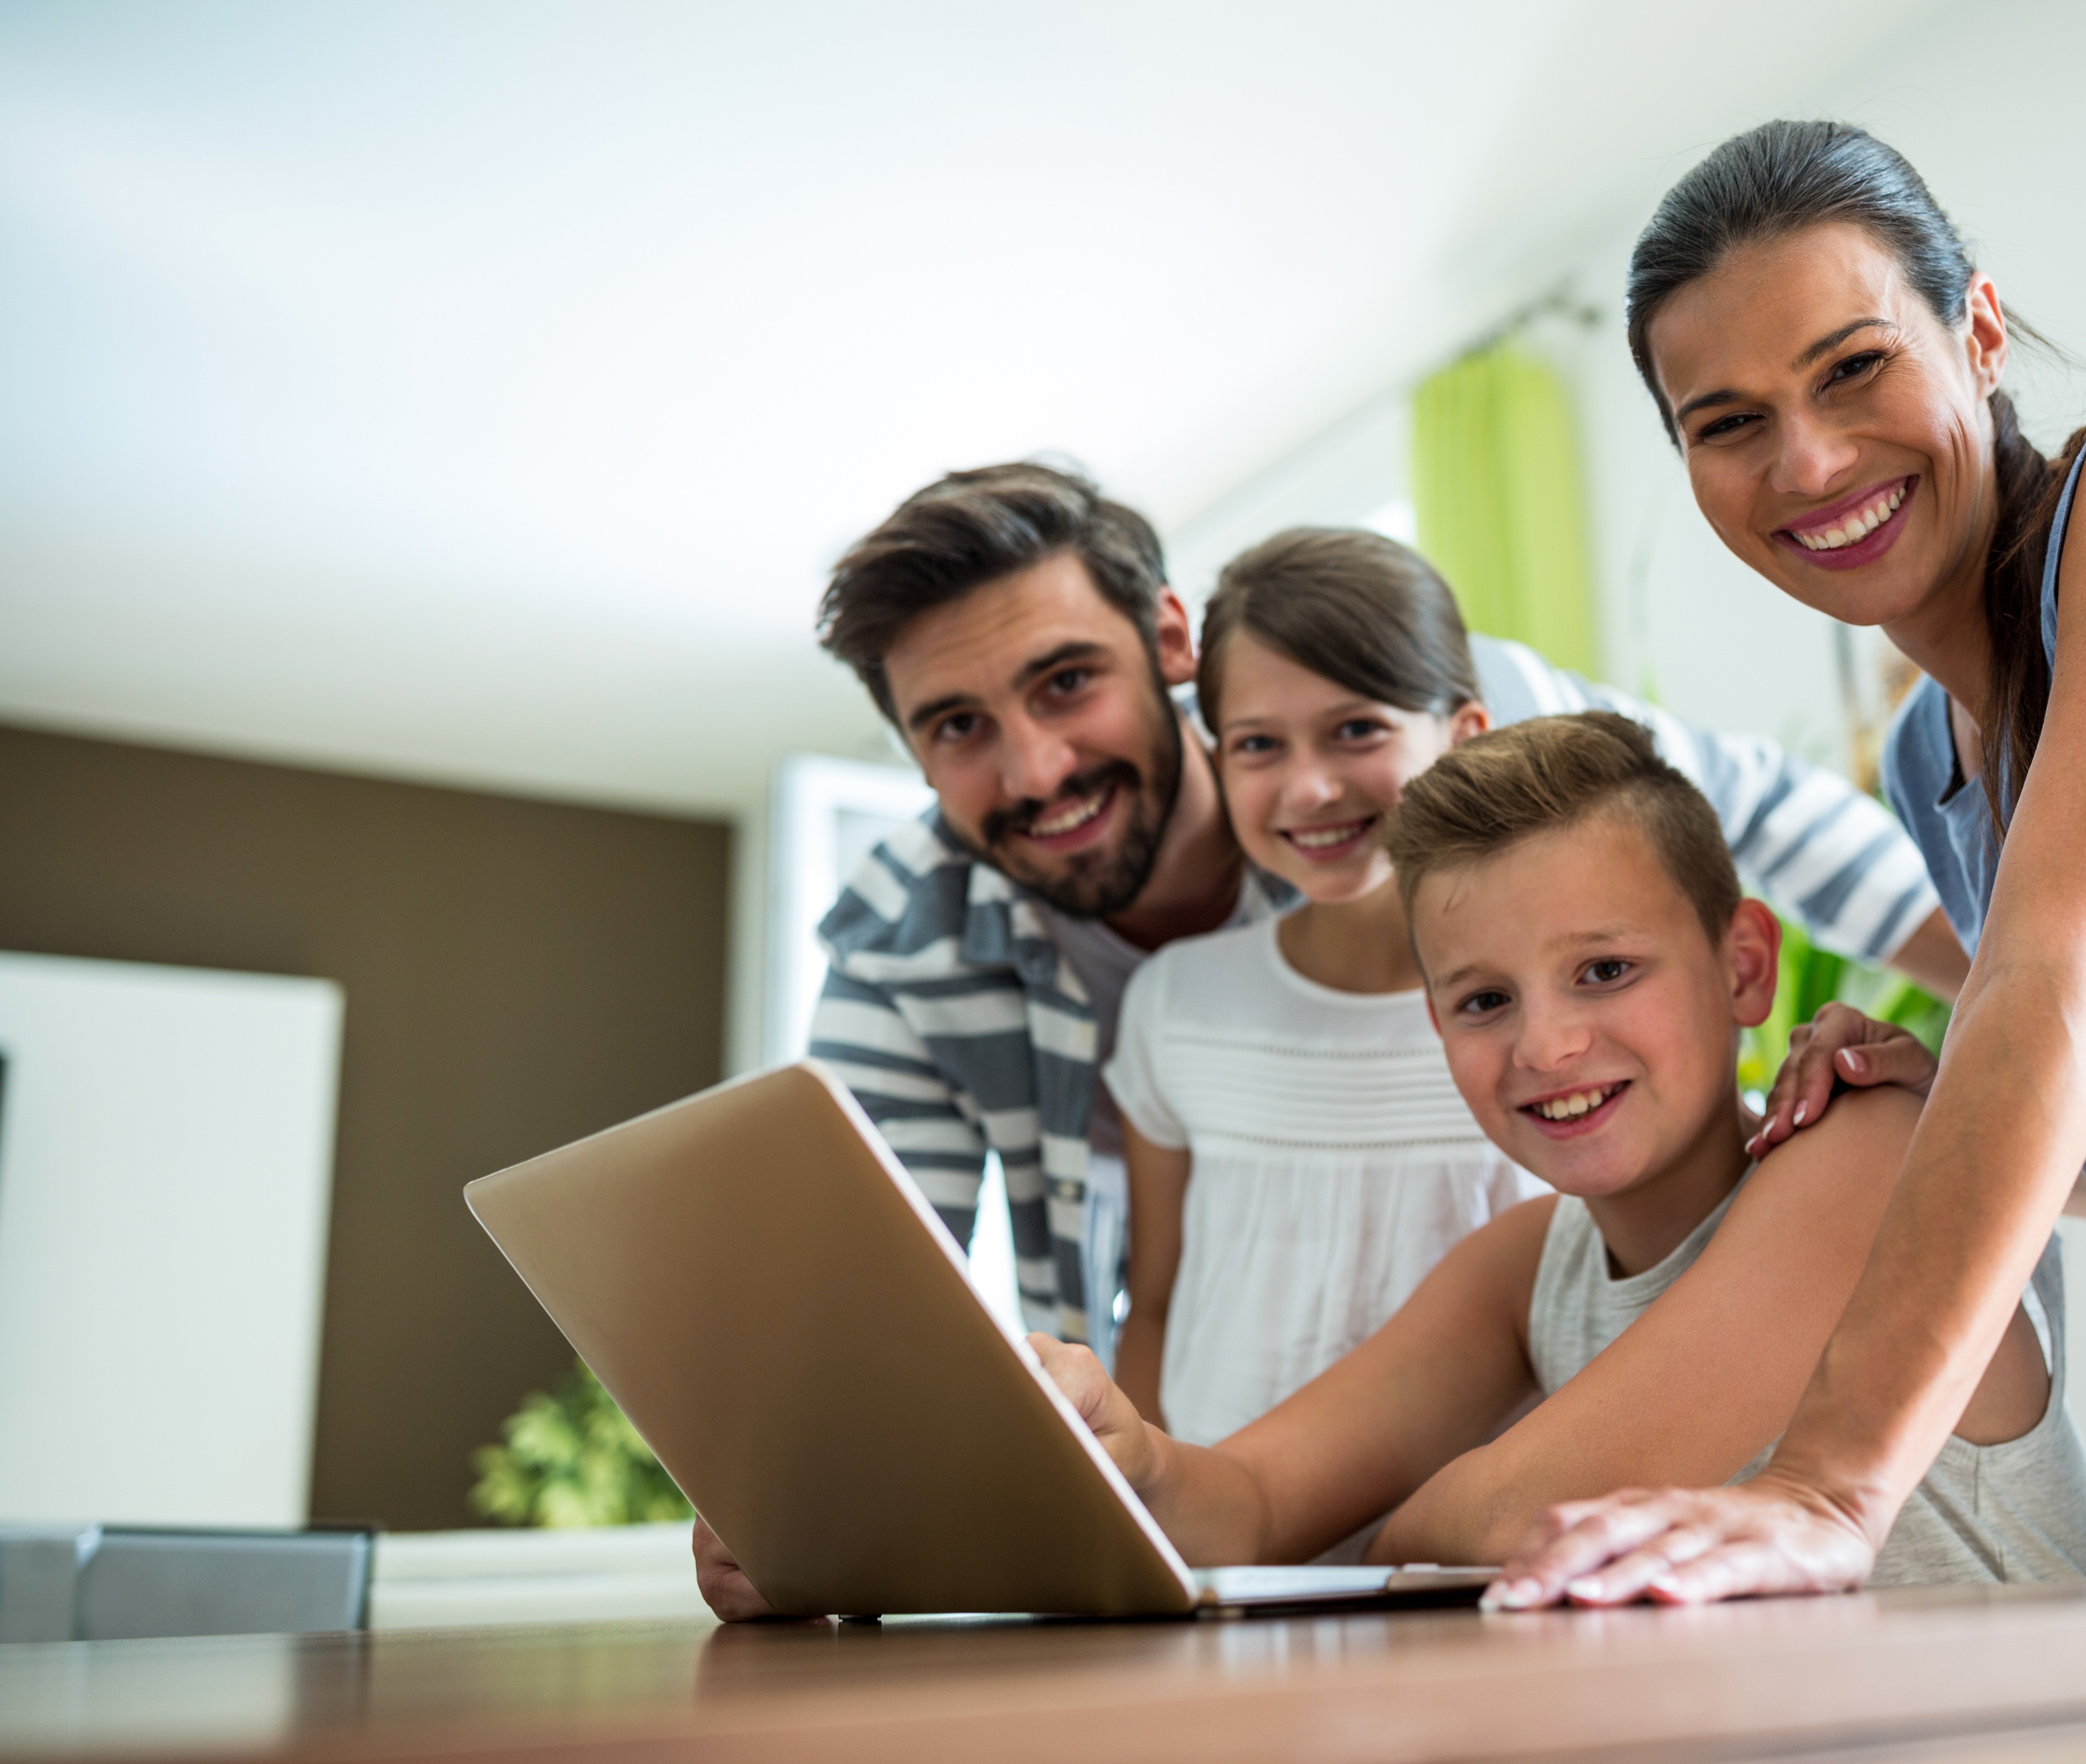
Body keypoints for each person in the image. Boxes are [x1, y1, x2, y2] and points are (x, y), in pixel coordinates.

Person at [1488, 119, 2086, 1607]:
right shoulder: (1930, 761)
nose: (1811, 460)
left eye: (1851, 367)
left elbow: (2061, 991)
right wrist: (1933, 1078)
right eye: (1727, 422)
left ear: (1974, 330)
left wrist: (1827, 1488)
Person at [693, 713, 2086, 1618]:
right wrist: (1048, 1467)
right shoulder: (1520, 1269)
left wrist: (1348, 1532)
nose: (1546, 1047)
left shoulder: (1858, 1140)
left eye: (1603, 971)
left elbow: (1502, 1520)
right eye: (1481, 1002)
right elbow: (1239, 1500)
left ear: (1744, 965)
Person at [801, 463, 1967, 1362]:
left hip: (1516, 1339)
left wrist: (2025, 1001)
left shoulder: (1441, 741)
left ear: (1167, 641)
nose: (1036, 770)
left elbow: (1763, 809)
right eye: (956, 727)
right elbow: (867, 1305)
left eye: (1068, 684)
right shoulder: (903, 949)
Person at [1104, 530, 1543, 1447]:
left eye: (1357, 731)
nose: (1309, 788)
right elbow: (1151, 1304)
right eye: (1258, 744)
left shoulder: (1552, 1017)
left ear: (1463, 735)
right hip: (1224, 1561)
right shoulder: (1174, 1004)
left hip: (1477, 1559)